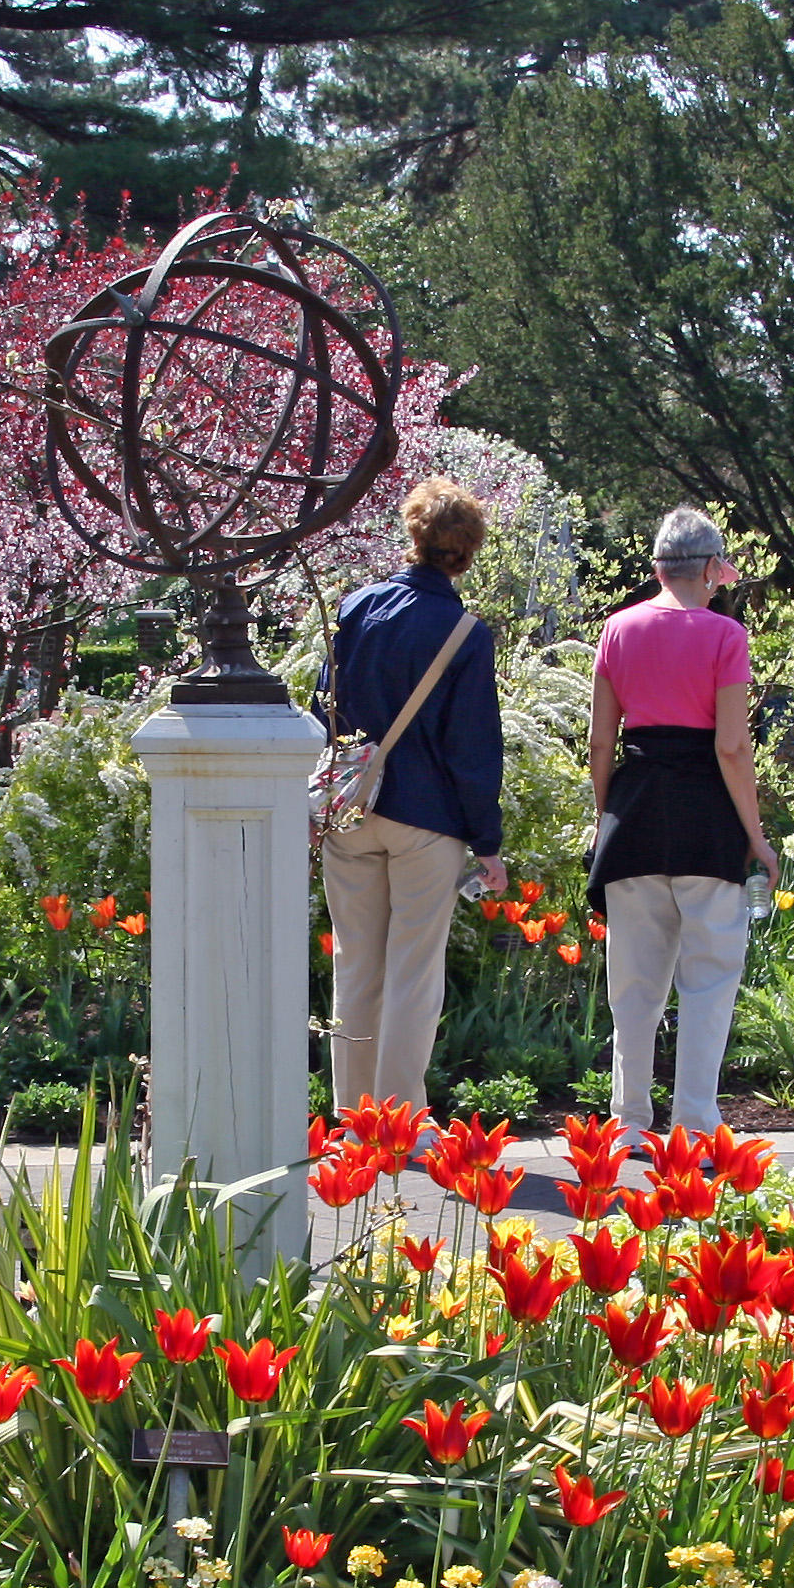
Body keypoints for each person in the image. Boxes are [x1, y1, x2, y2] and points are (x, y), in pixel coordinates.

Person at [584, 507, 784, 1134]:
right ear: (710, 570)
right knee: (709, 980)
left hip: (635, 810)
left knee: (634, 985)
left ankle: (627, 1119)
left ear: (658, 567)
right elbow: (731, 746)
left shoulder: (616, 629)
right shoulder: (726, 636)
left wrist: (604, 817)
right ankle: (694, 1126)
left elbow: (599, 743)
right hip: (705, 818)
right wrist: (756, 836)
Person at [317, 477, 505, 1113]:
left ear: (414, 533)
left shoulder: (355, 609)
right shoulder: (465, 634)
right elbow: (473, 748)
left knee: (357, 965)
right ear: (469, 550)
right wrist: (488, 842)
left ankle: (351, 1114)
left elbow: (325, 707)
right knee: (413, 973)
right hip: (427, 817)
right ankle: (398, 1118)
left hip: (349, 805)